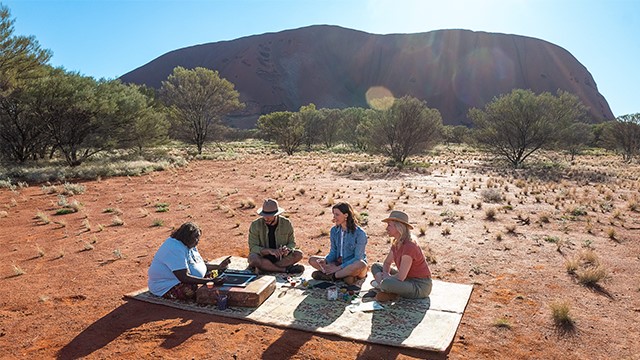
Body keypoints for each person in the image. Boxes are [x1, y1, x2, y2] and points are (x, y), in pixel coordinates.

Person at [148, 222, 231, 300]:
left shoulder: (189, 244)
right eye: (196, 238)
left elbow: (198, 264)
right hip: (168, 286)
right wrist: (210, 281)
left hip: (184, 278)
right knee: (191, 291)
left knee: (215, 275)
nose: (198, 241)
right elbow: (183, 277)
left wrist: (219, 266)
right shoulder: (174, 248)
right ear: (187, 237)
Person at [371, 210, 432, 302]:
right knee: (376, 266)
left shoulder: (409, 245)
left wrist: (386, 279)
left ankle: (385, 288)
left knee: (386, 283)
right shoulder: (397, 242)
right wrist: (386, 274)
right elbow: (387, 263)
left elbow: (400, 277)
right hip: (406, 279)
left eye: (389, 225)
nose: (386, 229)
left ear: (399, 227)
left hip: (419, 285)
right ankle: (385, 288)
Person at [308, 202, 368, 285]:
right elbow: (333, 251)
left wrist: (338, 268)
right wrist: (326, 260)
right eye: (333, 215)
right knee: (312, 260)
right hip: (338, 263)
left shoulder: (360, 234)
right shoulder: (334, 231)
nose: (334, 218)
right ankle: (342, 276)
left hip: (351, 265)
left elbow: (358, 258)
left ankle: (332, 276)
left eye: (337, 215)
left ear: (346, 215)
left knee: (361, 264)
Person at [248, 198, 304, 274]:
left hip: (281, 258)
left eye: (269, 215)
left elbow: (292, 243)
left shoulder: (286, 223)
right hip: (263, 257)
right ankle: (285, 270)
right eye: (264, 215)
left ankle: (266, 268)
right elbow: (253, 247)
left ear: (276, 215)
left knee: (298, 254)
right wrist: (269, 251)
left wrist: (287, 249)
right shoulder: (255, 225)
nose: (265, 218)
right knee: (253, 258)